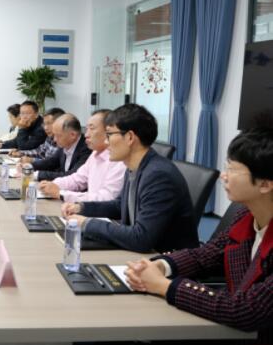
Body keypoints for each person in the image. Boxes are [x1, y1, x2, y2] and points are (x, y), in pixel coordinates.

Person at [125, 128, 273, 344]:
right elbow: (207, 255)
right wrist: (161, 266)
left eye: (232, 169)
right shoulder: (246, 215)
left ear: (265, 184)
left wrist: (164, 286)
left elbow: (246, 310)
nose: (224, 175)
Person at [62, 103, 198, 253]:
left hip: (164, 259)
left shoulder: (158, 175)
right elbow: (120, 206)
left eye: (109, 135)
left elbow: (141, 238)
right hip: (141, 255)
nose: (106, 142)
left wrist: (87, 223)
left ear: (130, 137)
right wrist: (82, 207)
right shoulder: (133, 166)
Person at [39, 109, 126, 202]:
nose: (86, 134)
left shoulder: (119, 159)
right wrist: (54, 184)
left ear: (108, 131)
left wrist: (62, 194)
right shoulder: (95, 154)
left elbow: (107, 198)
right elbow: (77, 179)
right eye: (87, 129)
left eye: (92, 128)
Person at [31, 113, 91, 181]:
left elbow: (72, 176)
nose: (54, 139)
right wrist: (30, 166)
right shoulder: (65, 144)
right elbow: (51, 162)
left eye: (58, 136)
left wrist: (37, 175)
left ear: (73, 135)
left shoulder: (87, 149)